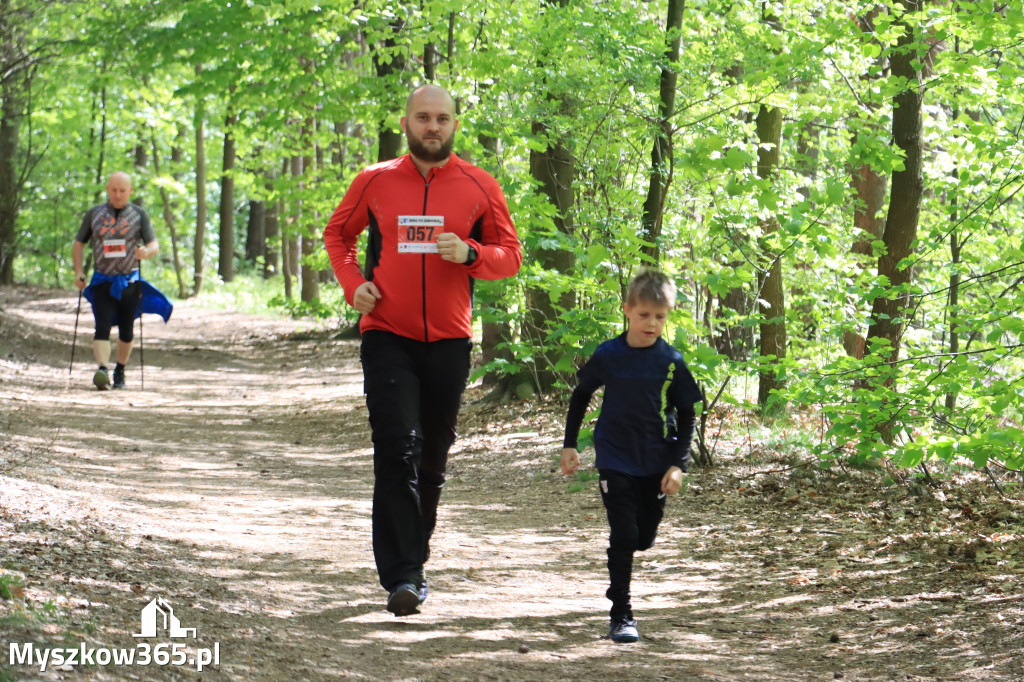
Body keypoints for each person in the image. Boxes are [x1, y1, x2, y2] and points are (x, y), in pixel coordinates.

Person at [323, 84, 522, 616]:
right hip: (387, 332)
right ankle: (402, 575)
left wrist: (472, 252)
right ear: (406, 122)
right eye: (423, 118)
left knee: (432, 457)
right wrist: (352, 285)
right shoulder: (375, 181)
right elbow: (337, 236)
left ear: (456, 124)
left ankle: (414, 554)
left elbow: (510, 257)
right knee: (398, 447)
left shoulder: (480, 186)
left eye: (442, 118)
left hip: (450, 341)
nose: (432, 127)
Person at [561, 270, 702, 643]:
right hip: (614, 456)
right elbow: (580, 395)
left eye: (660, 316)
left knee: (642, 538)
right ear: (627, 311)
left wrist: (678, 464)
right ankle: (621, 613)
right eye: (644, 315)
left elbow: (688, 413)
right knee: (623, 534)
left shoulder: (672, 361)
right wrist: (570, 443)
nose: (652, 324)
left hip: (656, 461)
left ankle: (626, 568)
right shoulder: (609, 355)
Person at [73, 172, 172, 390]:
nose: (117, 195)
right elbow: (79, 243)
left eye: (122, 190)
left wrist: (146, 252)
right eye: (114, 190)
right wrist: (79, 272)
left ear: (130, 191)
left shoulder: (139, 215)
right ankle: (102, 370)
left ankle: (120, 370)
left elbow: (154, 244)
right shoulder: (94, 214)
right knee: (102, 326)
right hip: (102, 281)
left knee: (127, 331)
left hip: (130, 282)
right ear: (108, 189)